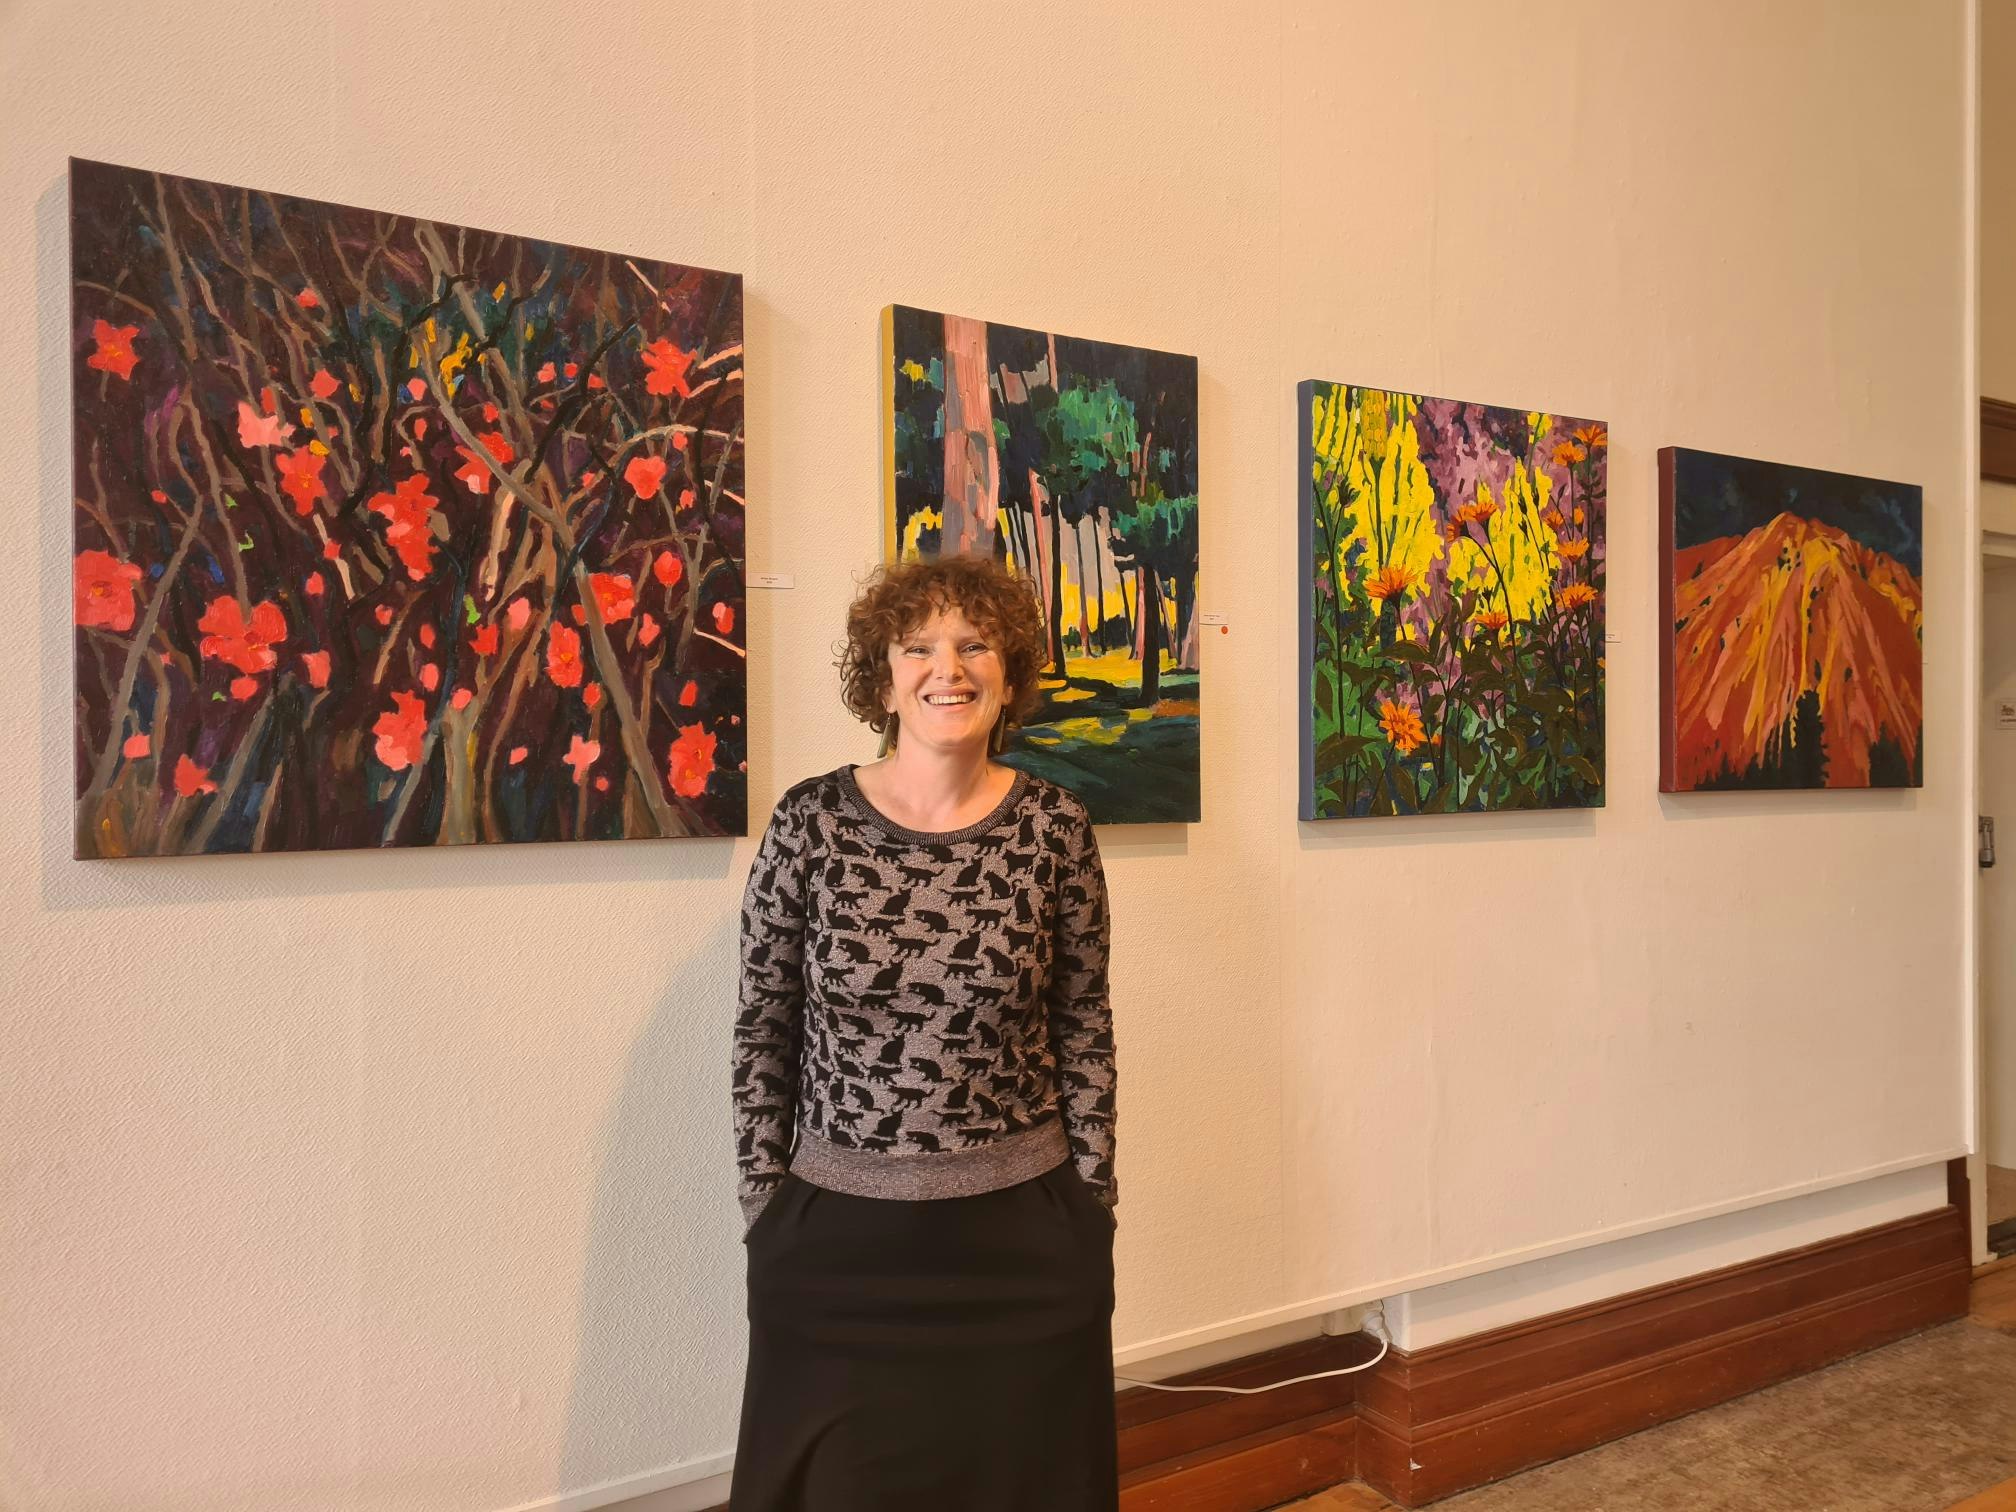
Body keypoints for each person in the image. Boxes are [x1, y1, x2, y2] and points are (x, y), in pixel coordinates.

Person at [727, 552, 1119, 1511]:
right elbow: (764, 1027)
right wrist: (764, 1207)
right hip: (837, 1244)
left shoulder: (1055, 830)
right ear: (882, 677)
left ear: (1010, 676)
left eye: (976, 645)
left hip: (1023, 1241)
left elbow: (1084, 1024)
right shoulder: (810, 823)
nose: (949, 668)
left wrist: (1093, 1201)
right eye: (919, 647)